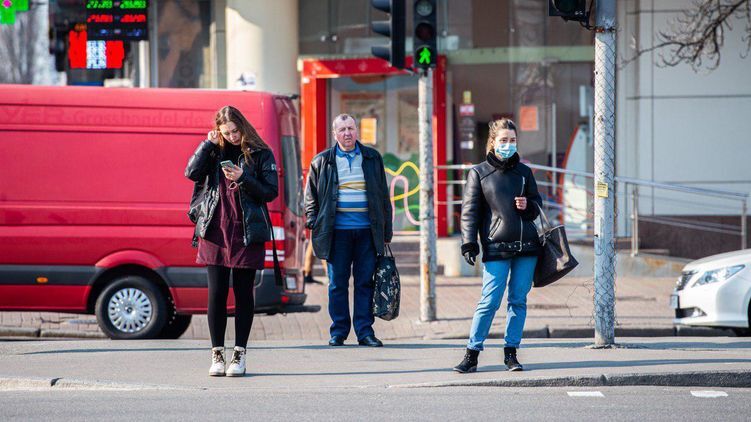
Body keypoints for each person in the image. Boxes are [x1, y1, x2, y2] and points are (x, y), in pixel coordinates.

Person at [185, 105, 278, 377]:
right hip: (215, 229)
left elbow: (270, 191)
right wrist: (207, 145)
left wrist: (243, 177)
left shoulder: (260, 152)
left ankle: (239, 354)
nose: (233, 136)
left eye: (236, 131)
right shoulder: (214, 151)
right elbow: (191, 173)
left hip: (246, 231)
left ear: (243, 126)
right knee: (216, 293)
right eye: (227, 132)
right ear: (219, 131)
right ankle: (217, 354)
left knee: (243, 293)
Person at [453, 118, 542, 373]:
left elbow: (537, 206)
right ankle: (472, 354)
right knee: (490, 301)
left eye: (512, 140)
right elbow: (469, 212)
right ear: (493, 142)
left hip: (527, 247)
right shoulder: (479, 173)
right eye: (504, 140)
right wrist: (469, 243)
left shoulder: (524, 172)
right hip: (496, 246)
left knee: (518, 301)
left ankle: (511, 353)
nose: (508, 145)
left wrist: (529, 205)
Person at [304, 114, 393, 347]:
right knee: (337, 284)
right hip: (336, 233)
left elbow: (383, 196)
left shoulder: (372, 157)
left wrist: (386, 232)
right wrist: (313, 221)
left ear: (357, 131)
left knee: (365, 283)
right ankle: (339, 331)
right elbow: (310, 196)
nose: (347, 133)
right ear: (334, 134)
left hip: (367, 232)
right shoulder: (322, 161)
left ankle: (364, 332)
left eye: (351, 128)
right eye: (342, 129)